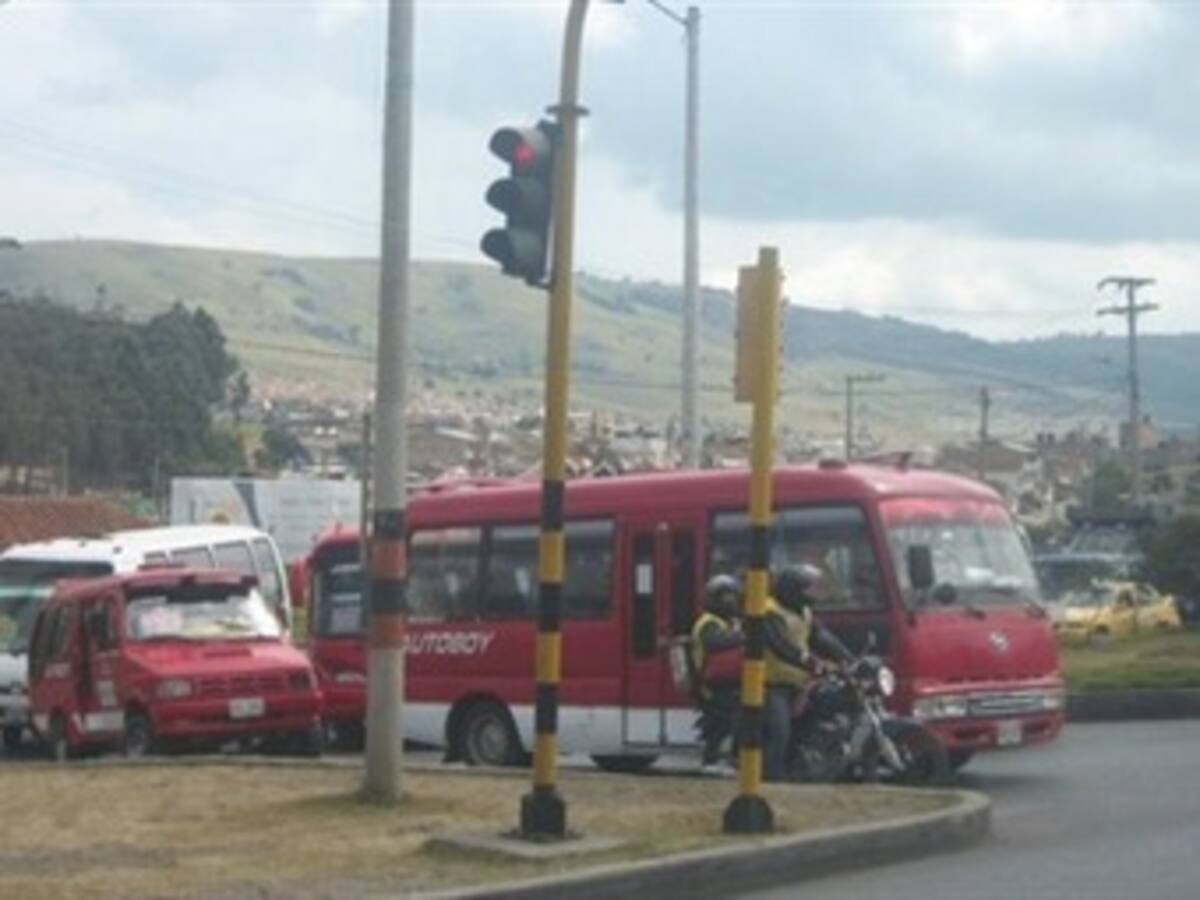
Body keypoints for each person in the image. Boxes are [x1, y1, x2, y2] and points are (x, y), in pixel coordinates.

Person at [762, 564, 852, 781]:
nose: (811, 595)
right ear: (792, 590)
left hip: (800, 682)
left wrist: (848, 658)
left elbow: (822, 638)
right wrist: (810, 662)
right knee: (780, 731)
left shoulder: (804, 612)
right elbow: (780, 645)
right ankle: (773, 778)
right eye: (807, 589)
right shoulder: (768, 611)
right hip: (772, 683)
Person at [690, 574, 745, 772]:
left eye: (732, 596)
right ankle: (711, 760)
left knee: (732, 721)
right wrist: (745, 636)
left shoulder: (732, 621)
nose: (729, 601)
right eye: (724, 597)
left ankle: (727, 758)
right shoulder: (708, 622)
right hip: (712, 683)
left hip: (730, 681)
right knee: (719, 722)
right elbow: (715, 642)